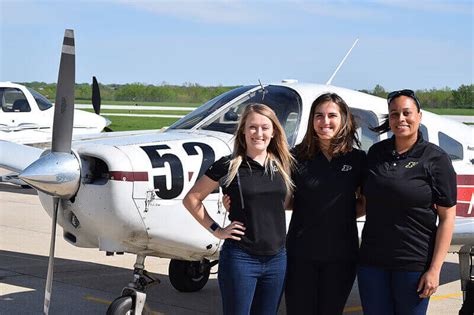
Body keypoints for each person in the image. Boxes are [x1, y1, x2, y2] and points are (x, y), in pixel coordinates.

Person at [183, 103, 294, 315]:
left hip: (277, 259)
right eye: (252, 127)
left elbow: (285, 203)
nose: (258, 133)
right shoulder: (228, 165)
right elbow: (192, 199)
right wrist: (217, 229)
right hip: (241, 259)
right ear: (243, 131)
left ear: (273, 132)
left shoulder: (284, 165)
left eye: (264, 127)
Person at [358, 89, 457, 315]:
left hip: (413, 264)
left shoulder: (436, 158)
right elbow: (363, 200)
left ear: (419, 116)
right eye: (394, 114)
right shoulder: (375, 153)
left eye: (406, 113)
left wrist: (434, 269)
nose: (400, 119)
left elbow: (447, 218)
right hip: (372, 262)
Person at [284, 92, 366, 314]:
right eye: (319, 116)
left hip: (341, 257)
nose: (325, 122)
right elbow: (285, 200)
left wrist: (337, 212)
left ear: (343, 120)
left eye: (332, 115)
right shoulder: (295, 157)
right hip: (300, 255)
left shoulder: (358, 160)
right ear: (312, 121)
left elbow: (364, 203)